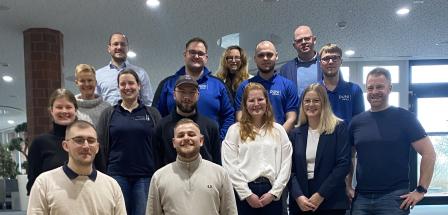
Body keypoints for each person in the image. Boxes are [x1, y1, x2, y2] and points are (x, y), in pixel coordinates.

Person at [348, 68, 436, 215]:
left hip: (394, 197)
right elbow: (349, 156)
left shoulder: (405, 118)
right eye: (370, 88)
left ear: (389, 88)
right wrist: (348, 186)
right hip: (361, 197)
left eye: (380, 87)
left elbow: (429, 154)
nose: (374, 91)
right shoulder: (356, 122)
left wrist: (421, 190)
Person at [27, 120, 126, 215]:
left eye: (91, 141)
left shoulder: (112, 186)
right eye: (79, 140)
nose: (86, 146)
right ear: (66, 146)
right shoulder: (44, 183)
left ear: (97, 147)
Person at [97, 69, 161, 215]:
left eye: (131, 83)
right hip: (116, 175)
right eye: (123, 84)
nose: (127, 87)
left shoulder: (152, 114)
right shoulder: (108, 114)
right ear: (118, 87)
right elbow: (100, 146)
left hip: (145, 176)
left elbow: (159, 145)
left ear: (139, 86)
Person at [222, 82, 292, 215]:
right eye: (251, 100)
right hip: (244, 194)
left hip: (271, 193)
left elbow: (286, 164)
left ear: (266, 102)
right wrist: (246, 194)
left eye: (260, 99)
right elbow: (229, 165)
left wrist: (274, 193)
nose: (256, 104)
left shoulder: (279, 130)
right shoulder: (234, 130)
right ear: (245, 104)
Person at [147, 118, 237, 215]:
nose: (186, 138)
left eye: (191, 134)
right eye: (181, 135)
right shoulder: (159, 177)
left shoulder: (220, 174)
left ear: (201, 140)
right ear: (174, 143)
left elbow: (230, 212)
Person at [152, 37, 234, 139]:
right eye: (192, 52)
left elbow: (230, 116)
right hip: (173, 148)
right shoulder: (167, 84)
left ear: (206, 58)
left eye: (200, 53)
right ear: (185, 55)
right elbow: (156, 116)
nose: (196, 56)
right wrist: (166, 141)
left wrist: (219, 140)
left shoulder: (218, 85)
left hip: (210, 149)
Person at [26, 88, 104, 195]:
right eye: (59, 107)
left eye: (68, 107)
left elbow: (102, 176)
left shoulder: (90, 140)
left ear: (75, 110)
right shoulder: (39, 143)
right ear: (51, 110)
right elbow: (33, 184)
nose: (64, 111)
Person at [289, 83, 350, 215]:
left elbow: (343, 165)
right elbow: (290, 169)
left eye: (316, 101)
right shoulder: (295, 133)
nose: (311, 105)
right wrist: (298, 196)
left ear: (324, 103)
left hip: (331, 201)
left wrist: (321, 194)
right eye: (307, 101)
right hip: (301, 203)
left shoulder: (338, 128)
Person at [153, 75, 221, 168]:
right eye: (182, 92)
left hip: (204, 180)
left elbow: (217, 164)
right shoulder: (162, 126)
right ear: (174, 95)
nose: (186, 97)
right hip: (171, 180)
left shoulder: (211, 126)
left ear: (198, 95)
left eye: (192, 92)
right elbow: (157, 163)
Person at [235, 40, 299, 132]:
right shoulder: (244, 87)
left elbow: (292, 118)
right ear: (255, 59)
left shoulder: (288, 85)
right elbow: (240, 117)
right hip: (251, 140)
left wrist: (277, 138)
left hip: (280, 141)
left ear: (276, 56)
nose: (265, 58)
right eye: (261, 55)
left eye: (269, 54)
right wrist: (255, 138)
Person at [96, 32, 154, 106]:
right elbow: (96, 104)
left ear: (127, 48)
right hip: (108, 117)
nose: (119, 47)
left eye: (123, 44)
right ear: (109, 48)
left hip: (134, 116)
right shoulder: (98, 75)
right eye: (115, 44)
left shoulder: (141, 73)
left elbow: (148, 102)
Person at [318, 44, 364, 124]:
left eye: (335, 58)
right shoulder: (314, 91)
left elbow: (360, 122)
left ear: (341, 62)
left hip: (347, 136)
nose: (331, 62)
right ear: (320, 64)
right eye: (326, 58)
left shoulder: (354, 90)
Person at [280, 25, 322, 97]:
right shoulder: (285, 69)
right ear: (294, 45)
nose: (303, 42)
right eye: (299, 40)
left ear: (314, 40)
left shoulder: (327, 64)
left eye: (307, 38)